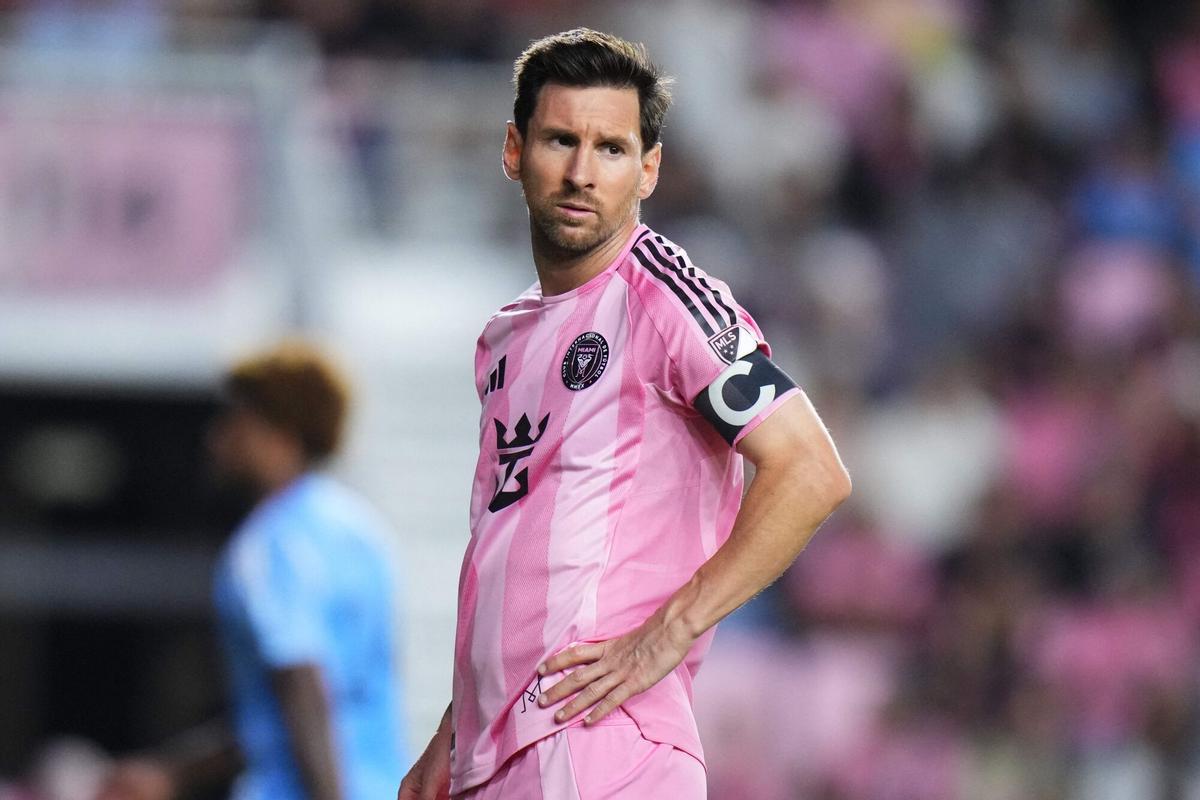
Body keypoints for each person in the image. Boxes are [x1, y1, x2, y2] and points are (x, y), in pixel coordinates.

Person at [399, 28, 851, 800]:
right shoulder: (506, 339)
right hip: (496, 752)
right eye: (559, 140)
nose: (581, 172)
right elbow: (517, 550)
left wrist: (664, 637)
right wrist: (456, 727)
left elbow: (811, 469)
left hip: (602, 744)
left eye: (611, 148)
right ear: (514, 151)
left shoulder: (666, 298)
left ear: (648, 169)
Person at [99, 342, 408, 800]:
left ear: (279, 434)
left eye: (234, 421)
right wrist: (175, 773)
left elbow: (302, 686)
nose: (216, 438)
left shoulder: (267, 545)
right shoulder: (361, 530)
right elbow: (281, 717)